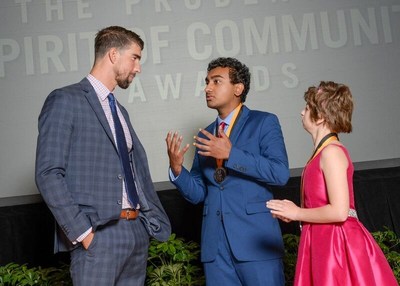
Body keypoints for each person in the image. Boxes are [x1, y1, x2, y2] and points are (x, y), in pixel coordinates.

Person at [35, 26, 171, 285]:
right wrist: (84, 234)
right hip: (99, 237)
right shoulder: (65, 99)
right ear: (113, 55)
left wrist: (143, 226)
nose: (138, 67)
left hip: (135, 232)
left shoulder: (119, 110)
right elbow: (48, 173)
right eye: (135, 57)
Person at [165, 57, 290, 285]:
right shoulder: (205, 135)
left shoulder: (264, 122)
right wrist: (177, 169)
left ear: (238, 88)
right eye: (207, 82)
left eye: (216, 81)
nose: (207, 88)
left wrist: (232, 155)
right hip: (216, 249)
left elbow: (280, 173)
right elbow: (199, 193)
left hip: (256, 243)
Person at [266, 81, 398, 285]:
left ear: (320, 117)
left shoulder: (332, 153)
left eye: (308, 108)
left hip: (337, 244)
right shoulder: (323, 152)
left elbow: (339, 212)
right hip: (324, 240)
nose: (302, 112)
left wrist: (297, 213)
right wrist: (295, 214)